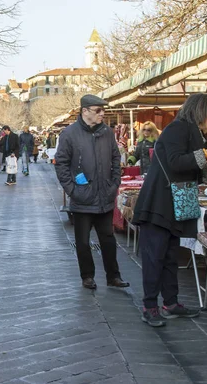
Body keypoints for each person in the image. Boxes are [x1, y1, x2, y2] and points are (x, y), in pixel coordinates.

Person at [132, 93, 207, 327]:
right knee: (154, 257)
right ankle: (150, 306)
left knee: (169, 256)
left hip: (174, 204)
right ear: (199, 109)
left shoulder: (195, 133)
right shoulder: (177, 128)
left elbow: (193, 168)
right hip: (159, 202)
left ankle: (170, 303)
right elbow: (176, 161)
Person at [55, 94, 130, 290]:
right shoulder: (69, 134)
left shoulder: (106, 132)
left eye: (103, 110)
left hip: (105, 195)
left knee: (108, 239)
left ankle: (113, 276)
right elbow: (61, 164)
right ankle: (87, 276)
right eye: (98, 110)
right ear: (85, 111)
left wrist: (114, 184)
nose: (102, 114)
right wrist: (72, 190)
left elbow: (115, 159)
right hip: (82, 197)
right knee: (82, 241)